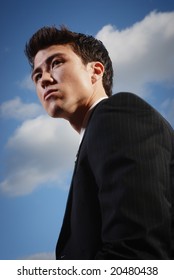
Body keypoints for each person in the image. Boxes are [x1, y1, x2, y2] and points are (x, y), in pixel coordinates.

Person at [25, 26, 174, 260]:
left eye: (56, 63)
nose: (44, 79)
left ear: (95, 71)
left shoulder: (118, 114)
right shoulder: (97, 134)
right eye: (36, 75)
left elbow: (139, 252)